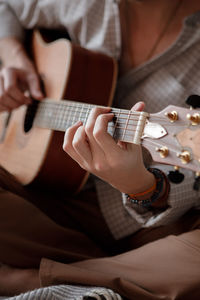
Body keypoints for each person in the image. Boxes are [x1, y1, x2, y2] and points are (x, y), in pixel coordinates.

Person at [0, 0, 200, 299]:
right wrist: (14, 57)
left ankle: (31, 279)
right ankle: (108, 273)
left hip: (153, 227)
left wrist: (139, 185)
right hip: (46, 193)